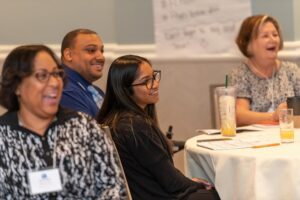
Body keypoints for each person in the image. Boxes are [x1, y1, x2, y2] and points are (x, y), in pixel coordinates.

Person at [0, 44, 127, 199]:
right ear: (17, 85)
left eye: (57, 74)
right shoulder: (3, 135)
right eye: (42, 75)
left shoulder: (84, 126)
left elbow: (114, 185)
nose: (54, 83)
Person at [97, 55, 220, 200]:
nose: (155, 84)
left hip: (146, 193)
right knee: (222, 192)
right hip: (157, 196)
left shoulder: (117, 120)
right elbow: (172, 183)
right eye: (146, 81)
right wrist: (198, 185)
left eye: (153, 77)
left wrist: (189, 183)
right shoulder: (134, 126)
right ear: (125, 90)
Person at [229, 15, 300, 126]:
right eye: (265, 36)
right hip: (253, 140)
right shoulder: (241, 74)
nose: (273, 39)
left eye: (275, 35)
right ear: (249, 44)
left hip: (289, 136)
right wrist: (275, 116)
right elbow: (239, 115)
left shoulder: (291, 70)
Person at [60, 28, 105, 117]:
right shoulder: (65, 90)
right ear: (68, 55)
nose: (101, 57)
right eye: (91, 50)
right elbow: (85, 130)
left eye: (102, 51)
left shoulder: (96, 90)